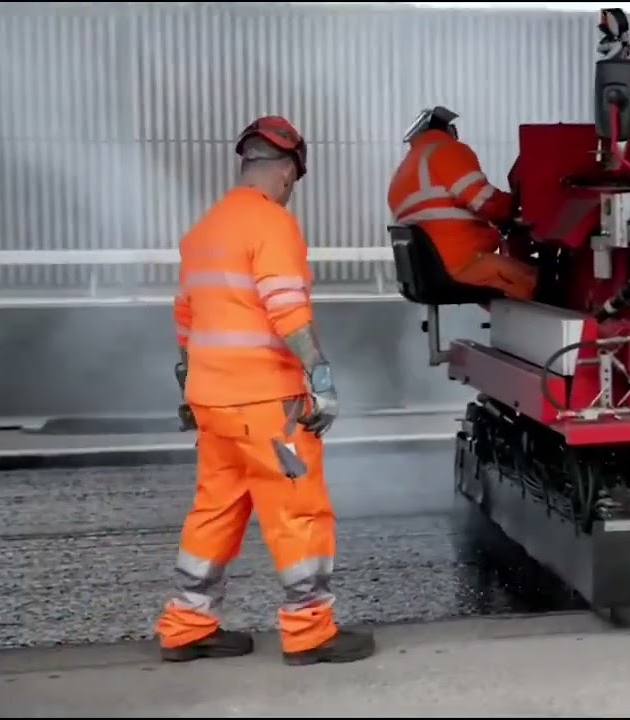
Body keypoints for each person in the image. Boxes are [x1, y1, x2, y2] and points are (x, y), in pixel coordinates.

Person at [158, 116, 373, 667]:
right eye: (293, 179)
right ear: (284, 171)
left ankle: (187, 624)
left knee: (215, 510)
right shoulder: (271, 225)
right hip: (266, 406)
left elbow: (187, 318)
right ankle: (309, 632)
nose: (291, 189)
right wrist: (320, 379)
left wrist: (189, 384)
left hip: (213, 402)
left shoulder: (204, 229)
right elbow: (286, 307)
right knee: (298, 511)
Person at [387, 106, 538, 300]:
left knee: (509, 282)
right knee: (534, 280)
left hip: (430, 270)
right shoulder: (445, 150)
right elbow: (484, 201)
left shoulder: (404, 170)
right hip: (461, 262)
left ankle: (507, 328)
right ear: (446, 130)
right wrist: (514, 206)